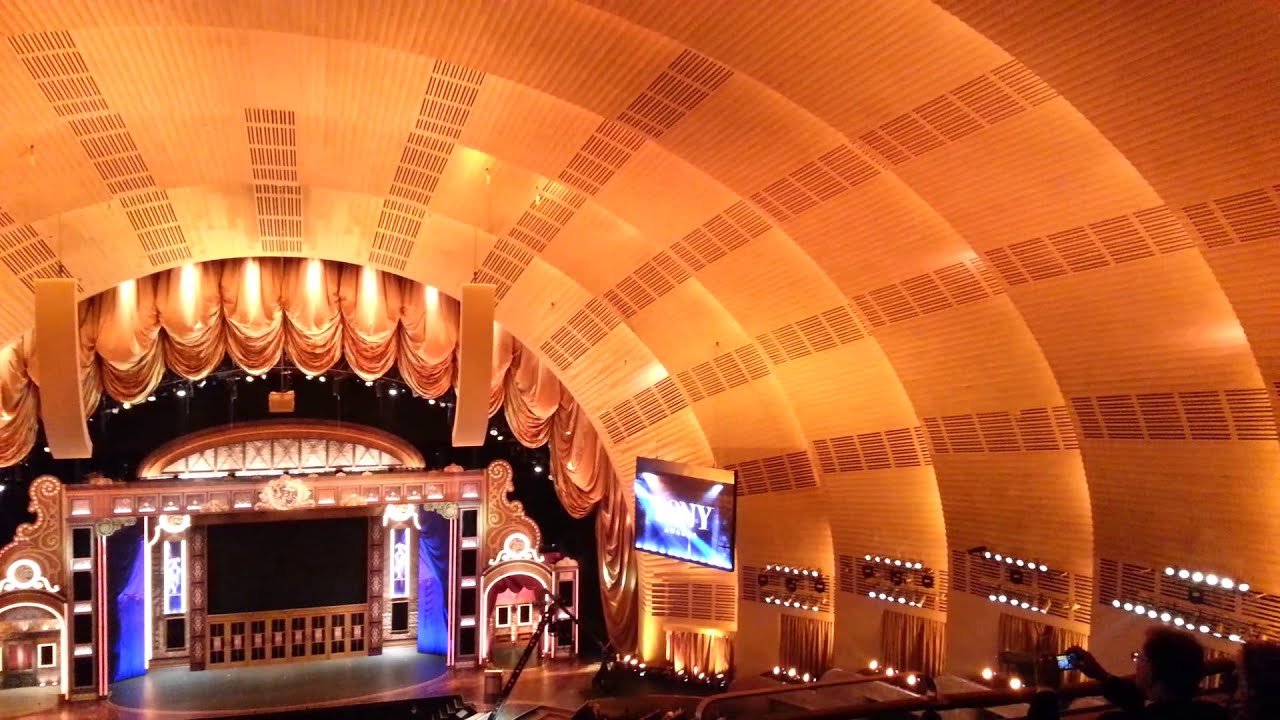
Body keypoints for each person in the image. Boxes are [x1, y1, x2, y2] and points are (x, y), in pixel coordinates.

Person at [1066, 628, 1230, 719]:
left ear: (1151, 671)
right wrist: (1101, 675)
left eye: (1140, 658)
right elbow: (1149, 709)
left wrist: (1046, 689)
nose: (1137, 663)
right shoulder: (1214, 714)